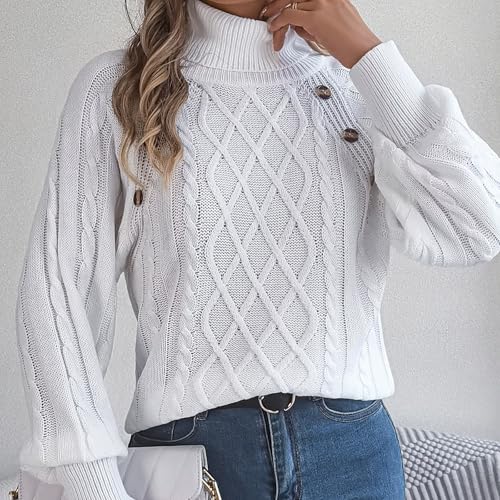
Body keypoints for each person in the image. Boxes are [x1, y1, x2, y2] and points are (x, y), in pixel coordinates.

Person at [13, 0, 500, 498]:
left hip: (354, 460)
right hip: (190, 459)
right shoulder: (121, 86)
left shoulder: (353, 81)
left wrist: (365, 53)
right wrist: (90, 478)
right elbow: (57, 291)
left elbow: (479, 225)